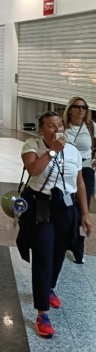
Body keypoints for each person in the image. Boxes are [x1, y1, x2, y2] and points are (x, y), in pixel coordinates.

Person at [18, 111, 91, 339]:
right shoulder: (32, 145)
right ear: (41, 129)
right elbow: (33, 169)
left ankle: (49, 287)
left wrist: (85, 214)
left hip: (66, 208)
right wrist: (52, 151)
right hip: (42, 206)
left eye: (59, 125)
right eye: (51, 126)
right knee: (43, 254)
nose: (57, 129)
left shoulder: (73, 151)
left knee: (59, 252)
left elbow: (79, 182)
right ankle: (42, 313)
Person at [63, 97, 95, 264]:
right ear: (70, 109)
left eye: (84, 107)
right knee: (67, 205)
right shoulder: (63, 127)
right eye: (77, 107)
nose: (81, 110)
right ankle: (64, 241)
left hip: (86, 170)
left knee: (83, 208)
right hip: (67, 171)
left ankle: (78, 247)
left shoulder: (91, 126)